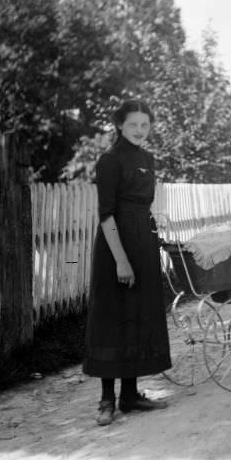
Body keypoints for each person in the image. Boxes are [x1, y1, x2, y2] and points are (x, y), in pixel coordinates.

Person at [83, 99, 171, 426]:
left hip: (142, 242)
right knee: (113, 316)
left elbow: (144, 206)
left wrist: (152, 238)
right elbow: (106, 215)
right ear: (120, 125)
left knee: (137, 314)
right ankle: (107, 400)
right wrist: (121, 260)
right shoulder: (109, 161)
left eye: (144, 125)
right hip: (114, 246)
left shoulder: (147, 159)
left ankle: (130, 396)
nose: (139, 130)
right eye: (133, 124)